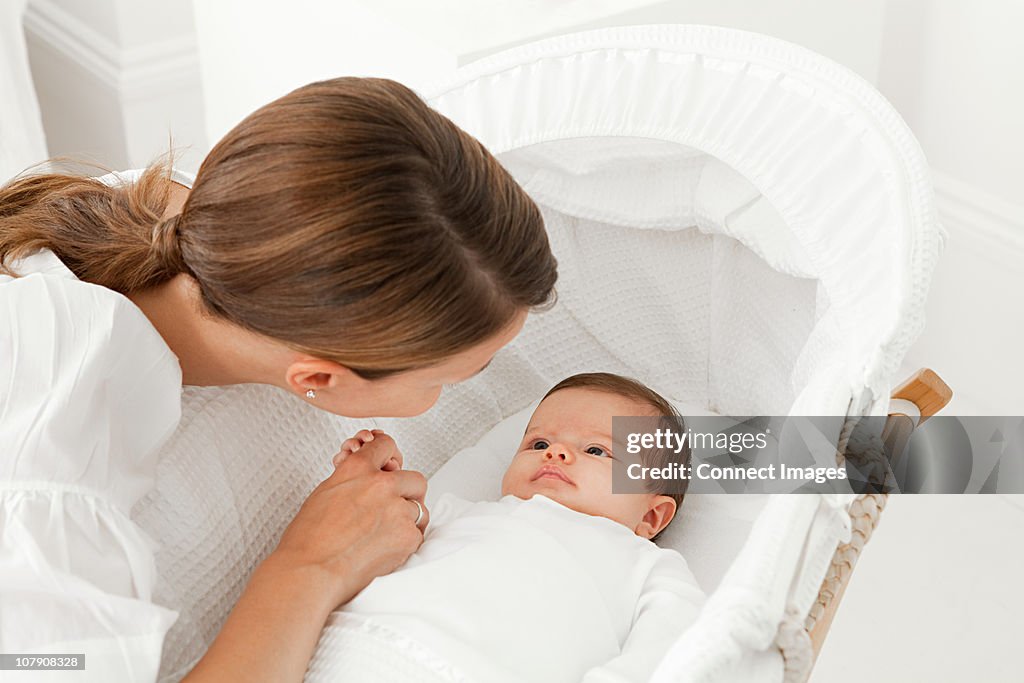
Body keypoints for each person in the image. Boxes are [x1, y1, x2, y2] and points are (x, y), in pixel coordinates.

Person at [0, 77, 557, 682]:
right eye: (451, 378)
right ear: (318, 378)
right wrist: (310, 566)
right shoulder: (44, 464)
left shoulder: (206, 217)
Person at [308, 373, 705, 683]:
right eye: (537, 444)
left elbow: (675, 648)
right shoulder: (458, 511)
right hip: (352, 645)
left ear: (651, 517)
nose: (555, 452)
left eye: (596, 450)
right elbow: (377, 536)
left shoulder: (647, 565)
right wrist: (372, 479)